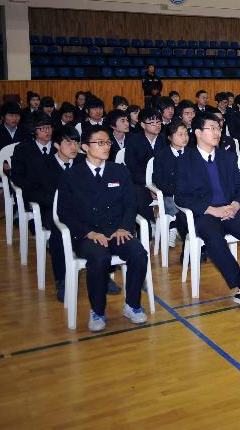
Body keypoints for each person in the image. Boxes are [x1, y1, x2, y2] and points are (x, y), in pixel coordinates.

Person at [57, 125, 150, 332]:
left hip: (116, 230)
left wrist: (124, 227)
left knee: (138, 254)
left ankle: (132, 305)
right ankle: (97, 310)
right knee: (99, 259)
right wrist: (89, 233)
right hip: (88, 234)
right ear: (85, 148)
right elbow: (65, 213)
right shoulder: (72, 176)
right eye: (100, 143)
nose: (106, 146)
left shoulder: (119, 171)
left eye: (108, 142)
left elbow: (130, 204)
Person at [175, 111, 240, 308]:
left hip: (230, 208)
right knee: (215, 240)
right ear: (198, 133)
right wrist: (211, 209)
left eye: (219, 128)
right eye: (212, 129)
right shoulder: (186, 160)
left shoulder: (227, 157)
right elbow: (181, 197)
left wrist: (236, 205)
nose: (217, 132)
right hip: (204, 213)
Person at [26, 126, 84, 301]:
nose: (74, 147)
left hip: (82, 209)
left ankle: (104, 272)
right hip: (53, 210)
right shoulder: (42, 164)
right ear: (57, 145)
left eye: (76, 142)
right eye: (69, 142)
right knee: (60, 231)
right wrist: (57, 200)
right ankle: (62, 279)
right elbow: (31, 192)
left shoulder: (84, 162)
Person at [151, 121, 189, 253]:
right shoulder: (162, 156)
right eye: (180, 134)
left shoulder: (192, 153)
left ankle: (193, 240)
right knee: (179, 211)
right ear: (170, 137)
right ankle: (187, 241)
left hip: (189, 193)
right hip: (170, 194)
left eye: (186, 134)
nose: (185, 137)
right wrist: (174, 191)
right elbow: (158, 179)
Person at [125, 108, 166, 221]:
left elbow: (167, 166)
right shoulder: (133, 142)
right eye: (152, 123)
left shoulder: (165, 140)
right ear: (143, 125)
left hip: (160, 180)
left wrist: (156, 185)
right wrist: (149, 186)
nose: (157, 125)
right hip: (140, 181)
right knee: (139, 193)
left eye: (158, 122)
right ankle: (146, 227)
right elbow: (132, 169)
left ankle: (172, 225)